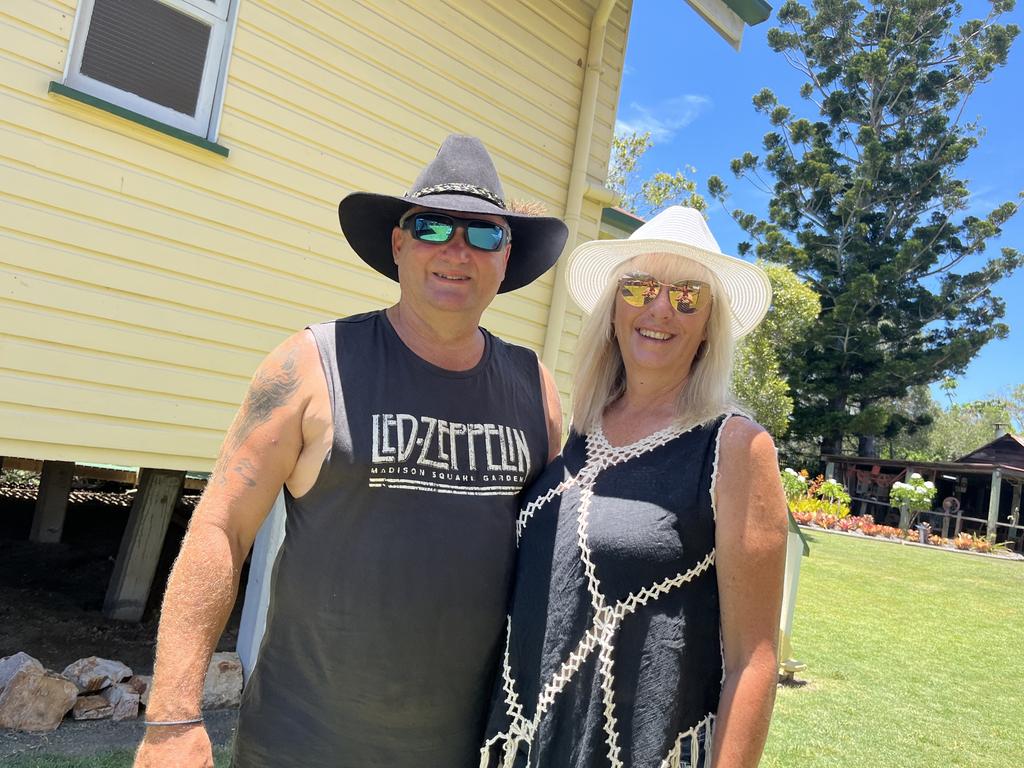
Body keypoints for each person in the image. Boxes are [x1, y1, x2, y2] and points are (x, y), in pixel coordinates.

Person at [133, 135, 568, 768]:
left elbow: (546, 562)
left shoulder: (537, 388)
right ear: (398, 244)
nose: (455, 250)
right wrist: (172, 717)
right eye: (433, 226)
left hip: (471, 749)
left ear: (507, 260)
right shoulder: (310, 364)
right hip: (302, 744)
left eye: (482, 235)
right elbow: (221, 530)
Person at [482, 205, 788, 767]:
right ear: (614, 308)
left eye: (688, 295)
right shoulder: (576, 427)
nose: (661, 309)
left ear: (708, 322)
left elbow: (755, 656)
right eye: (641, 288)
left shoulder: (735, 447)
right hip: (529, 741)